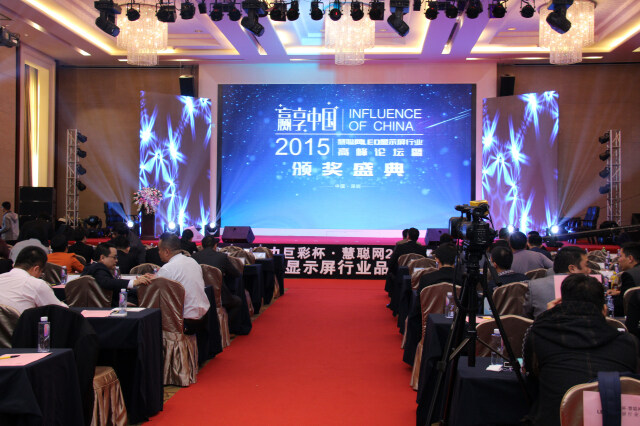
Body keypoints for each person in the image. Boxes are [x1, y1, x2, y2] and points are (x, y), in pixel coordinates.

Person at [523, 274, 638, 426]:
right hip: (612, 419)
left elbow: (532, 373)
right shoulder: (628, 342)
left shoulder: (540, 334)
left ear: (560, 304)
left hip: (555, 419)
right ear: (604, 310)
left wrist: (547, 316)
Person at [156, 232, 210, 333]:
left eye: (159, 249)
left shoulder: (168, 268)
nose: (158, 252)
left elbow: (156, 294)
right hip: (204, 316)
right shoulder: (193, 261)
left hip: (184, 320)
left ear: (166, 251)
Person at [523, 246, 591, 319]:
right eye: (587, 266)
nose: (589, 270)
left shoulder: (534, 286)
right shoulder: (589, 287)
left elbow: (526, 319)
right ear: (572, 268)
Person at [0, 246, 67, 313]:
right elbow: (60, 311)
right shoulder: (36, 284)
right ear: (36, 269)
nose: (40, 275)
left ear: (14, 264)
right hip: (23, 319)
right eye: (41, 272)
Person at [192, 236, 243, 325]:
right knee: (238, 302)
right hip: (219, 296)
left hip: (197, 295)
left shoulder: (194, 257)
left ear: (202, 246)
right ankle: (225, 327)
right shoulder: (222, 257)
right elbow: (236, 274)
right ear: (215, 246)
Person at [81, 242, 152, 306]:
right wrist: (134, 282)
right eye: (114, 257)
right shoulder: (98, 268)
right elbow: (107, 282)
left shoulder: (91, 267)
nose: (116, 260)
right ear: (102, 258)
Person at [607, 242, 640, 315]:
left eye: (620, 256)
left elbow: (623, 305)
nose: (618, 260)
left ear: (630, 258)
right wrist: (619, 293)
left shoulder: (629, 275)